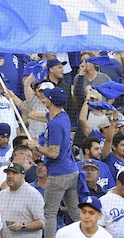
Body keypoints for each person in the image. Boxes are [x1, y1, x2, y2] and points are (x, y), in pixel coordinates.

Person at [28, 86, 80, 238]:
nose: (44, 99)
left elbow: (54, 153)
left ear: (50, 101)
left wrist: (36, 146)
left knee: (49, 213)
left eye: (47, 97)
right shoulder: (61, 115)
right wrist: (13, 97)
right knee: (75, 212)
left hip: (59, 175)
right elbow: (31, 113)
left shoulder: (56, 124)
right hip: (71, 171)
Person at [0, 162, 44, 237]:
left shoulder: (33, 194)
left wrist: (23, 225)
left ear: (23, 176)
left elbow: (43, 222)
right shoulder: (2, 194)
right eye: (8, 173)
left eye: (14, 173)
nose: (10, 176)